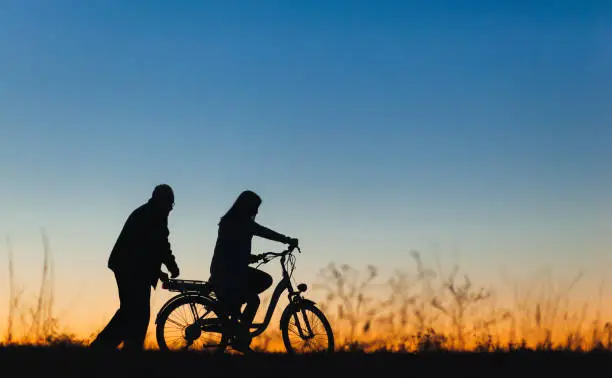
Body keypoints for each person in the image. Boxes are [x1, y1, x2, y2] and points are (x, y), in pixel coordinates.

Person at [90, 184, 180, 351]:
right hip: (130, 268)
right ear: (163, 201)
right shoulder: (153, 215)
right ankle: (108, 347)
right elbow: (159, 245)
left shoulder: (149, 212)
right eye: (170, 203)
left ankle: (118, 347)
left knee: (133, 310)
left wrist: (158, 271)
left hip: (130, 266)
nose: (170, 208)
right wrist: (172, 266)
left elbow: (148, 248)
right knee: (135, 310)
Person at [209, 190, 298, 352]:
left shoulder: (231, 221)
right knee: (255, 297)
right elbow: (264, 232)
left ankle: (235, 311)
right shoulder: (240, 223)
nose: (256, 212)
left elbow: (232, 249)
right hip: (227, 274)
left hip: (230, 271)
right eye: (255, 207)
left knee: (261, 281)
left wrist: (250, 257)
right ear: (247, 206)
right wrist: (287, 240)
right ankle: (242, 335)